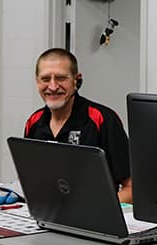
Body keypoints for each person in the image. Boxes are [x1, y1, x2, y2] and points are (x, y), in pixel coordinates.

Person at [24, 48, 132, 203]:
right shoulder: (33, 122)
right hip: (46, 215)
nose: (53, 86)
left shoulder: (102, 119)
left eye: (61, 78)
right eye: (46, 79)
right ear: (37, 81)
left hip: (94, 220)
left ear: (77, 80)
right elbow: (30, 180)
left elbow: (132, 190)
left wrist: (93, 208)